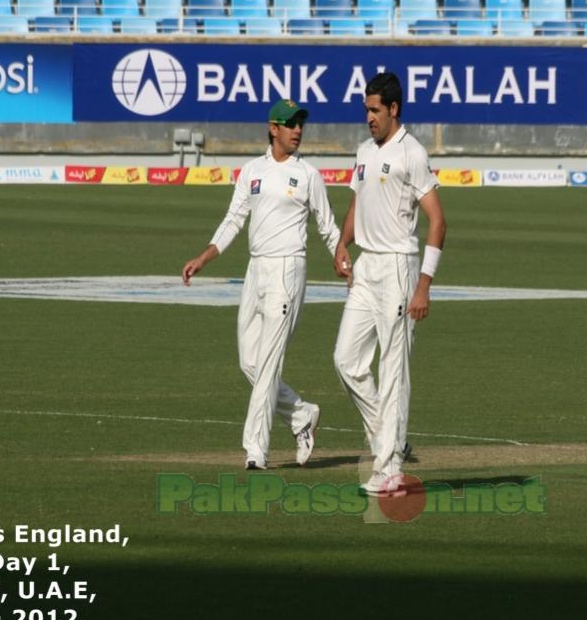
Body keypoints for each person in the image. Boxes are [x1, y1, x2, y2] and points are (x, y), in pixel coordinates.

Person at [181, 99, 340, 470]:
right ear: (273, 128)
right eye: (290, 124)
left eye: (301, 124)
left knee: (268, 362)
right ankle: (301, 415)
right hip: (256, 270)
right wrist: (203, 257)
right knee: (249, 361)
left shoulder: (309, 175)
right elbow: (234, 219)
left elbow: (327, 225)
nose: (298, 130)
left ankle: (255, 450)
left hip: (288, 270)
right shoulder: (251, 170)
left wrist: (340, 256)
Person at [332, 72, 447, 498]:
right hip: (366, 267)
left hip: (400, 267)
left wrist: (424, 285)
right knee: (346, 361)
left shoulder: (411, 152)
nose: (369, 118)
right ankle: (389, 437)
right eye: (366, 110)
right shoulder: (363, 150)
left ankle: (391, 469)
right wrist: (343, 244)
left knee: (393, 370)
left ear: (394, 109)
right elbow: (356, 202)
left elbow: (438, 221)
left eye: (375, 110)